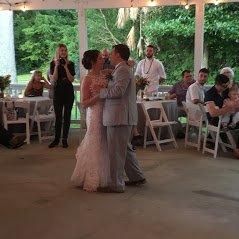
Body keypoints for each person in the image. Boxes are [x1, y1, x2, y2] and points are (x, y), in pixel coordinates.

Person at [92, 44, 146, 193]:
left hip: (119, 116)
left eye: (112, 52)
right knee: (125, 149)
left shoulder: (122, 69)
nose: (109, 54)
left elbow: (118, 91)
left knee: (116, 153)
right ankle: (137, 177)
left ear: (119, 55)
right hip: (121, 116)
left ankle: (116, 185)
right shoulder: (121, 69)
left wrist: (101, 91)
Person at [71, 50, 110, 192]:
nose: (102, 60)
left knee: (105, 141)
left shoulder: (105, 74)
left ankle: (106, 175)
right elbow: (84, 103)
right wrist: (99, 96)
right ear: (93, 62)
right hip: (94, 113)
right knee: (95, 141)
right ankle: (92, 177)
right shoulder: (87, 79)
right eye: (100, 58)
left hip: (107, 111)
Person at [204, 74, 239, 158]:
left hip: (228, 117)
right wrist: (230, 107)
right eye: (224, 86)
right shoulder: (210, 94)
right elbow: (213, 113)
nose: (226, 87)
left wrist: (233, 105)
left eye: (227, 85)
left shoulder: (225, 90)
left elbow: (234, 99)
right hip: (216, 121)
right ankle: (237, 150)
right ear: (217, 84)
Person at [48, 44, 75, 148]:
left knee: (67, 117)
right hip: (58, 92)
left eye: (65, 50)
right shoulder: (53, 63)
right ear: (58, 52)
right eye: (61, 50)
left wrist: (65, 67)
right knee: (58, 117)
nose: (63, 52)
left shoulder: (71, 63)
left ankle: (64, 139)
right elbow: (54, 79)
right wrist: (56, 66)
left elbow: (71, 79)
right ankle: (56, 139)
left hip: (68, 91)